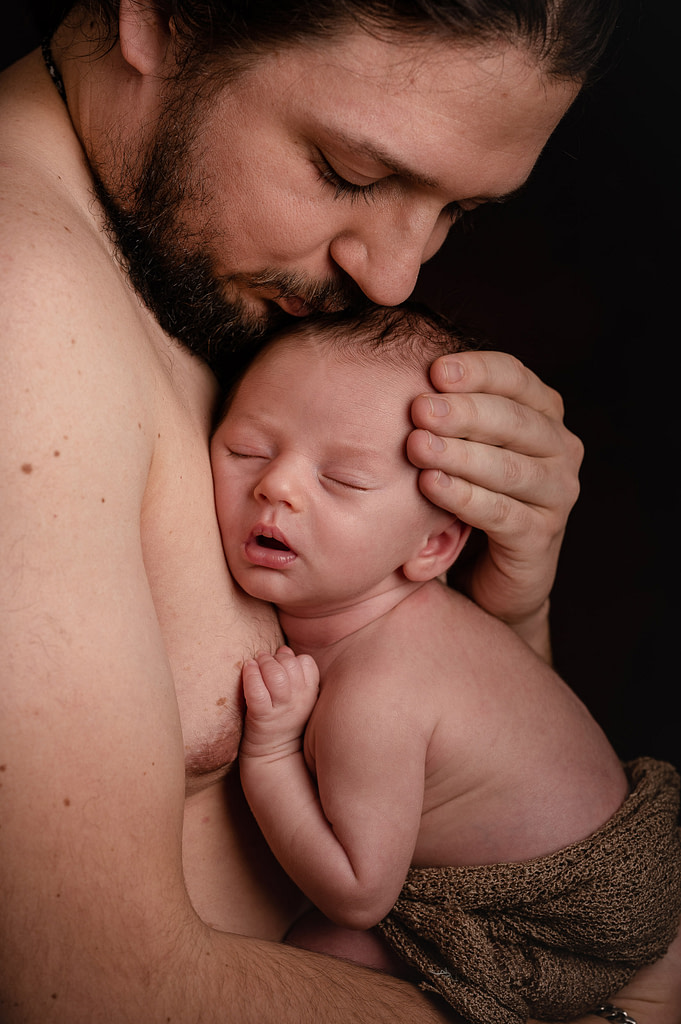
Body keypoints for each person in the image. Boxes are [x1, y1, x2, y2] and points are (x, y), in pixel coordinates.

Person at [1, 1, 679, 1021]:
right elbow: (92, 988)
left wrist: (502, 605)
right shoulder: (23, 308)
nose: (397, 273)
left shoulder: (203, 275)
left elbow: (449, 798)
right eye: (352, 174)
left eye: (459, 212)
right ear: (154, 15)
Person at [211, 302, 681, 1024]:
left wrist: (270, 750)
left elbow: (357, 890)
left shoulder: (378, 688)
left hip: (563, 917)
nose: (277, 485)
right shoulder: (399, 619)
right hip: (611, 853)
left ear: (431, 548)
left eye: (343, 480)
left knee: (312, 954)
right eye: (246, 449)